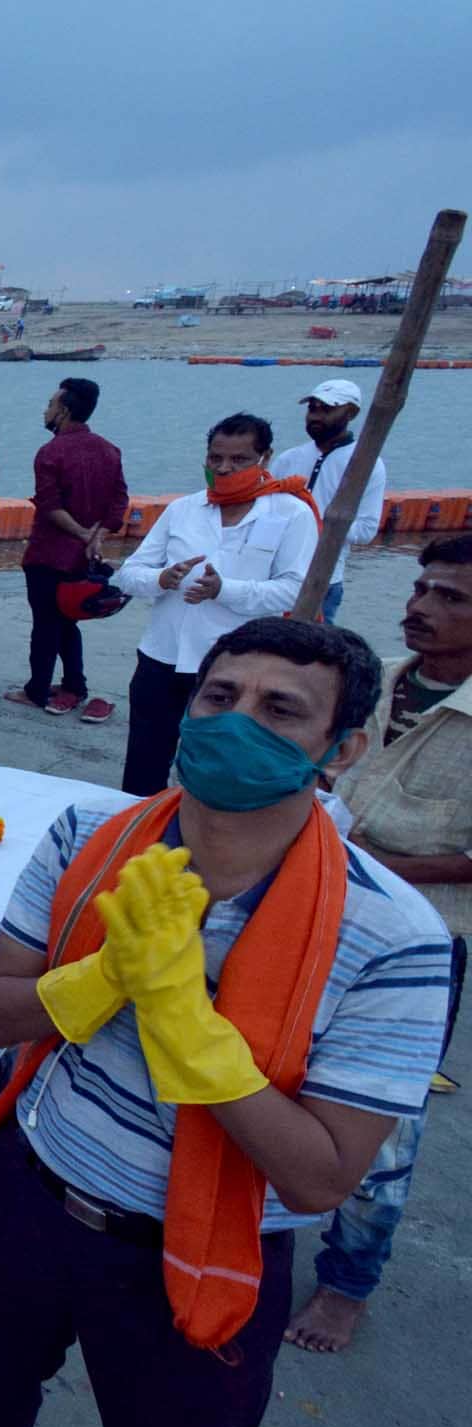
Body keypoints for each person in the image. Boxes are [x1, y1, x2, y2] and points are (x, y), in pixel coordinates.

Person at [0, 618, 452, 1427]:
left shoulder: (394, 938)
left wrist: (183, 1019)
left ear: (344, 748)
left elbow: (321, 1178)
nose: (234, 722)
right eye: (219, 696)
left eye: (280, 710)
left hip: (200, 1253)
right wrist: (101, 978)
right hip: (30, 1196)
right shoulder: (90, 843)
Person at [286, 536, 472, 1355]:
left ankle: (347, 1282)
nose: (424, 605)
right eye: (422, 586)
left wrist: (365, 865)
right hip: (311, 907)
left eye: (452, 597)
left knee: (380, 1125)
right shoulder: (377, 681)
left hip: (419, 944)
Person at [114, 414, 319, 795]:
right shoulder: (184, 509)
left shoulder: (292, 514)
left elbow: (295, 592)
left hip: (239, 665)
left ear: (265, 457)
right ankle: (137, 837)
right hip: (163, 656)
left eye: (238, 460)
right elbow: (128, 574)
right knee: (144, 762)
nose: (224, 468)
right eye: (215, 458)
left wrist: (224, 590)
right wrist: (161, 579)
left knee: (216, 765)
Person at [6, 378, 128, 724]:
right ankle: (75, 683)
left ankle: (37, 689)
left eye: (50, 404)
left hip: (49, 553)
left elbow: (49, 505)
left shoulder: (50, 452)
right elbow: (119, 500)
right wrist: (97, 536)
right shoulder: (109, 449)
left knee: (45, 624)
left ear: (64, 411)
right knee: (67, 620)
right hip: (83, 556)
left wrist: (80, 533)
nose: (45, 410)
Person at [270, 378, 389, 624]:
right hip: (276, 575)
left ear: (351, 413)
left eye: (327, 409)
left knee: (314, 652)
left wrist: (318, 525)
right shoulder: (288, 459)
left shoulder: (367, 464)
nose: (316, 416)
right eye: (312, 408)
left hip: (324, 579)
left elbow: (366, 529)